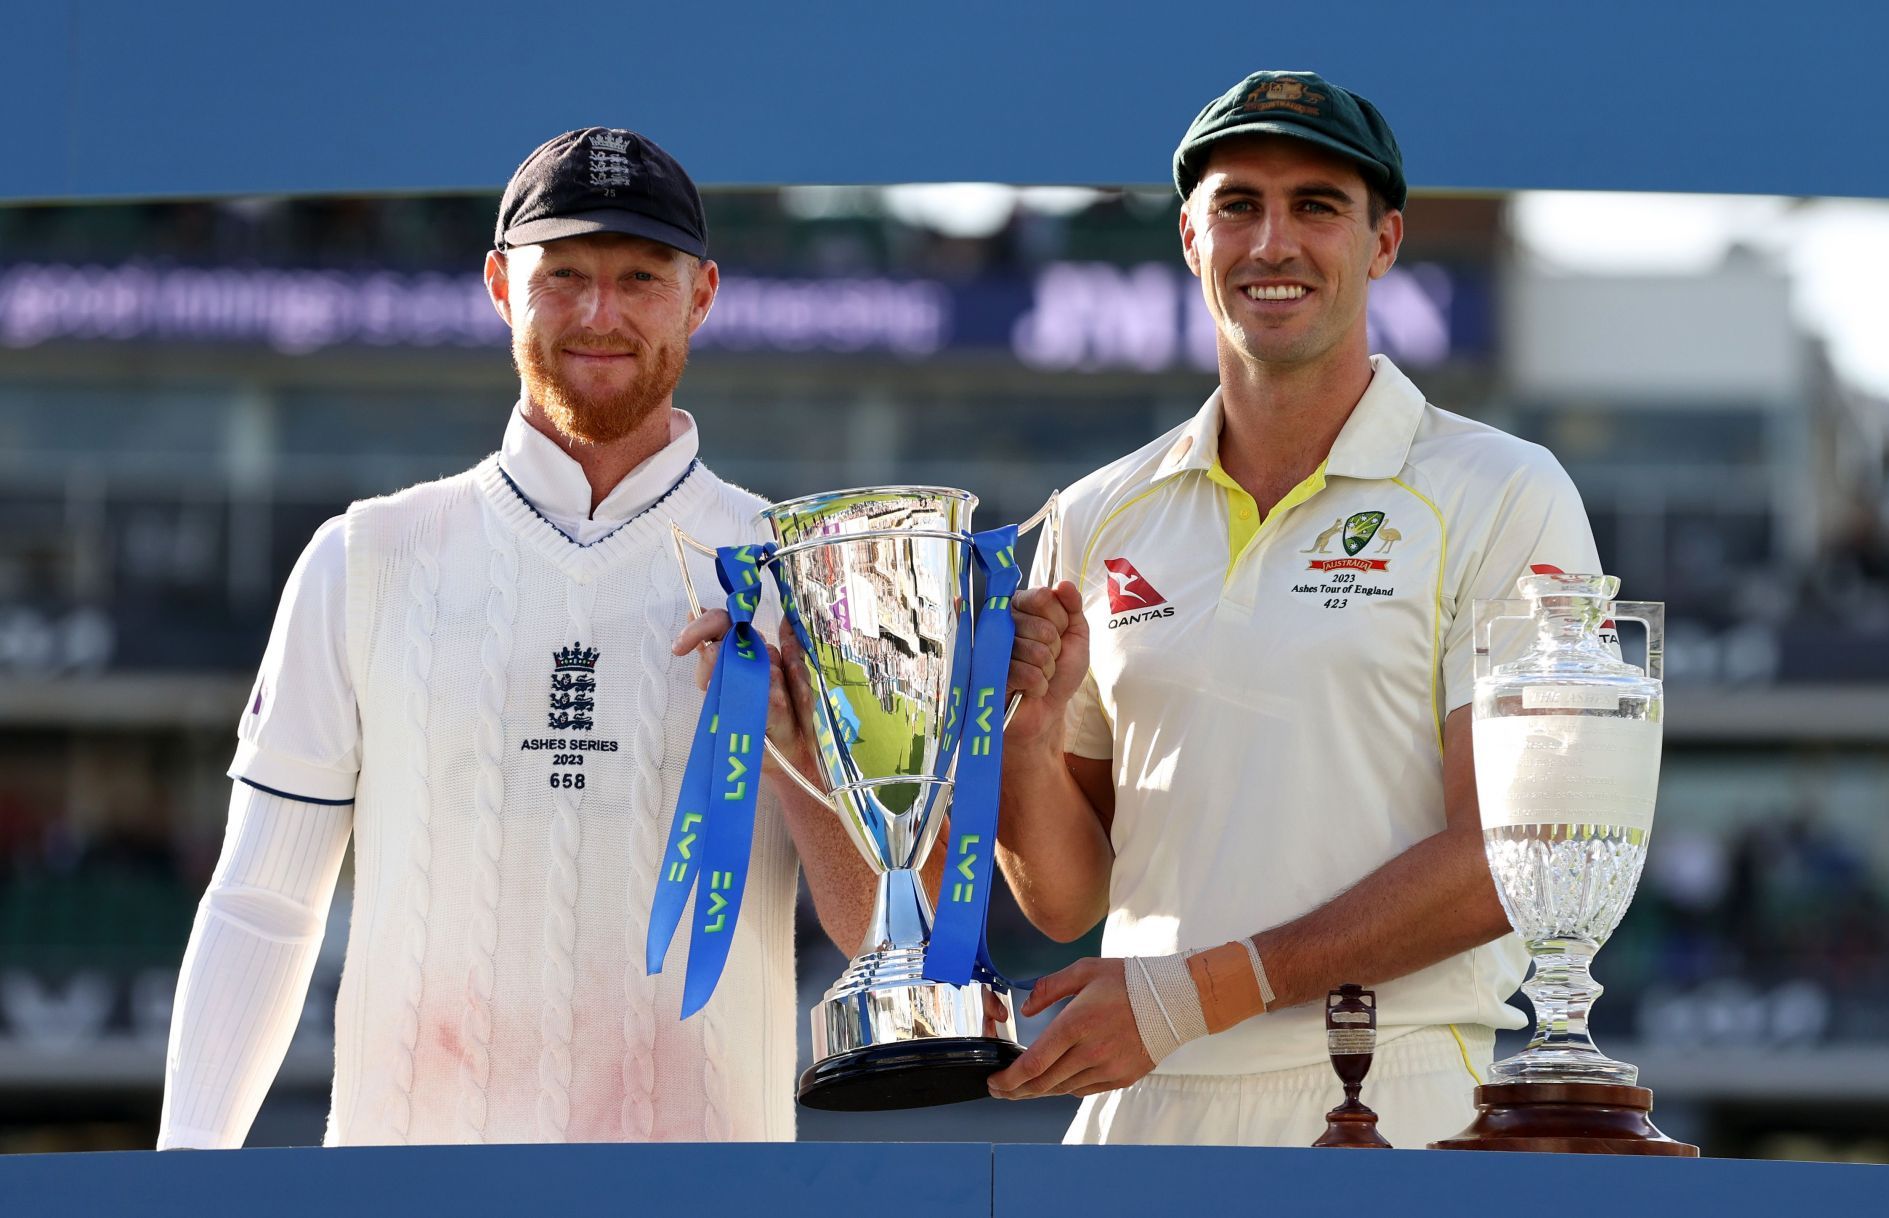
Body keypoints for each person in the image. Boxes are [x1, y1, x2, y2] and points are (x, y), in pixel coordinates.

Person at [157, 128, 874, 1148]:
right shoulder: (363, 558)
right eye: (565, 274)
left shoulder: (797, 575)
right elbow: (264, 902)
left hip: (704, 1194)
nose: (600, 314)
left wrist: (801, 759)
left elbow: (886, 935)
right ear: (500, 284)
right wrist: (184, 1175)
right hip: (405, 1194)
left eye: (639, 277)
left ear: (701, 295)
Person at [984, 71, 1606, 1148]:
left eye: (1318, 204)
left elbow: (1514, 854)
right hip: (1138, 1102)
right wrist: (1026, 754)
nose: (1274, 242)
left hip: (1391, 1092)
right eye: (1239, 205)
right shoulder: (1096, 513)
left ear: (1384, 241)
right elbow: (1066, 900)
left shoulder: (1505, 491)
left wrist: (1196, 994)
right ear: (1191, 237)